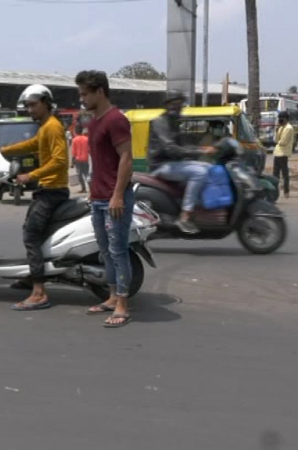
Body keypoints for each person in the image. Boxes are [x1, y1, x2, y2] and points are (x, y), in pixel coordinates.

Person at [0, 84, 69, 311]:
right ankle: (33, 275)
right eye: (28, 105)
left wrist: (30, 175)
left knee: (31, 235)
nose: (30, 109)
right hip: (47, 190)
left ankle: (39, 292)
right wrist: (3, 150)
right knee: (33, 231)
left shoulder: (53, 127)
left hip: (52, 191)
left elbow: (59, 161)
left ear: (46, 103)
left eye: (33, 104)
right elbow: (32, 145)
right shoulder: (45, 127)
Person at [76, 70, 135, 328]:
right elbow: (99, 162)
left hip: (114, 199)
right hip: (98, 197)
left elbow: (126, 158)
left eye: (85, 93)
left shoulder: (116, 120)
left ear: (100, 91)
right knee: (105, 251)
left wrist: (118, 195)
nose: (82, 98)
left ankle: (123, 304)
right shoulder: (94, 122)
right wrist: (93, 191)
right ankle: (112, 297)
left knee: (118, 251)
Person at [148, 90, 214, 234]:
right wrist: (200, 152)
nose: (178, 107)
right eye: (174, 104)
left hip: (172, 164)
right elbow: (170, 148)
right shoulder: (160, 122)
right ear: (167, 105)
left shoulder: (174, 123)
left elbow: (182, 147)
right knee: (199, 172)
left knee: (209, 167)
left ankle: (200, 205)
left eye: (180, 104)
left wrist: (201, 148)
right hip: (161, 165)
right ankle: (185, 215)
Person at [273, 111, 294, 199]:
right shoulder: (281, 127)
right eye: (280, 118)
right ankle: (274, 191)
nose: (281, 120)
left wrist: (278, 141)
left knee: (284, 174)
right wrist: (277, 130)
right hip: (277, 152)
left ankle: (286, 191)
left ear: (286, 119)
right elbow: (276, 140)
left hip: (283, 153)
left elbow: (283, 142)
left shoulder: (288, 128)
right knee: (275, 174)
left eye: (282, 118)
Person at [71, 126, 90, 193]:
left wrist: (72, 163)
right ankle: (90, 188)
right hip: (85, 159)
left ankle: (83, 188)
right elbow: (89, 150)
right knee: (86, 174)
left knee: (79, 174)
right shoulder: (86, 139)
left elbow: (73, 152)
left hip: (77, 160)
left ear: (76, 131)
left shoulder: (74, 140)